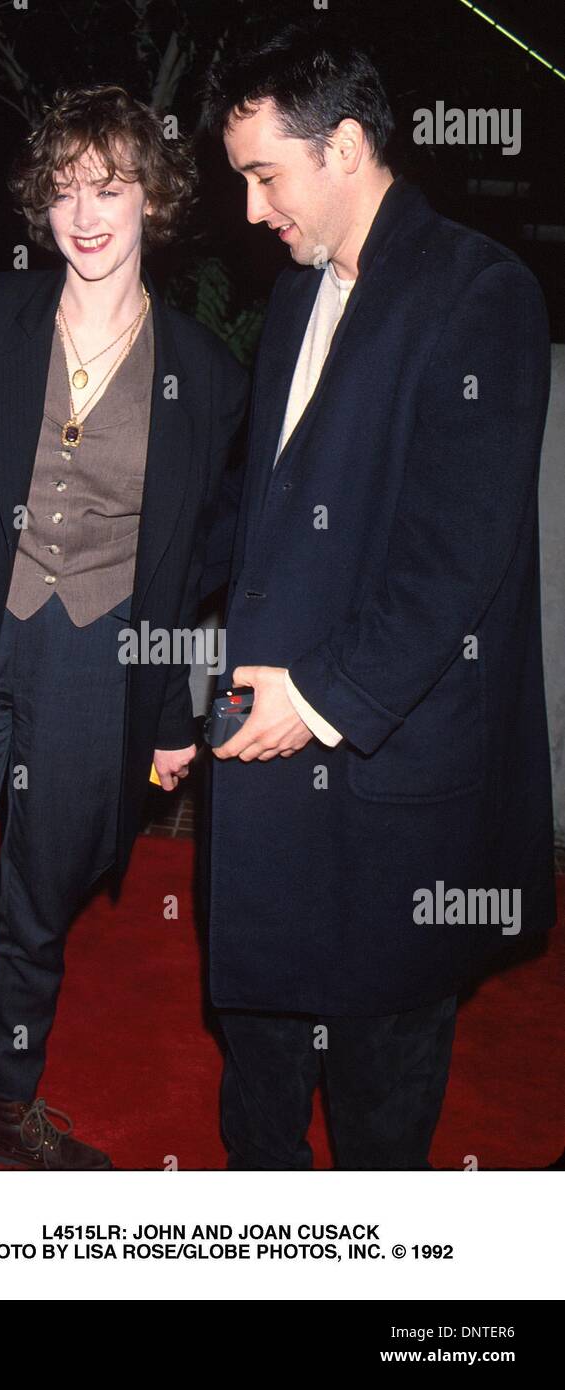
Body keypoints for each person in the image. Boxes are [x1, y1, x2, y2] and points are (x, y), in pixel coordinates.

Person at [0, 84, 248, 1171]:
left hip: (94, 657)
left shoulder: (202, 376)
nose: (85, 211)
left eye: (109, 186)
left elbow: (193, 558)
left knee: (41, 905)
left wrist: (167, 711)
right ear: (41, 204)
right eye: (64, 189)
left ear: (150, 199)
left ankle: (4, 1106)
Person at [200, 28, 555, 1170]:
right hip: (265, 759)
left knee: (378, 1111)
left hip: (389, 785)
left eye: (266, 175)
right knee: (254, 1078)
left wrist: (320, 698)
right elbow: (264, 514)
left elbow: (456, 556)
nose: (252, 210)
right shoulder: (302, 299)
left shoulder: (480, 293)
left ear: (345, 146)